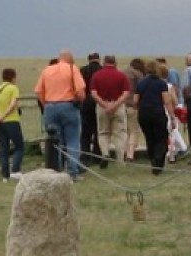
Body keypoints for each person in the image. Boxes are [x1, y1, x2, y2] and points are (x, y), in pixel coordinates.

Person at [33, 50, 86, 178]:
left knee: (55, 141)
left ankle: (55, 171)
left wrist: (46, 104)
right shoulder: (72, 69)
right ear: (70, 59)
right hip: (68, 106)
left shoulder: (47, 70)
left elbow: (39, 91)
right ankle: (73, 172)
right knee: (72, 140)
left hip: (50, 107)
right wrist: (80, 100)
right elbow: (80, 92)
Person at [88, 54, 131, 166]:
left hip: (102, 106)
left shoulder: (97, 76)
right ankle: (120, 160)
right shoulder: (121, 76)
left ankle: (105, 154)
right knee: (120, 133)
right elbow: (126, 93)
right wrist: (115, 105)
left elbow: (93, 93)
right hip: (118, 106)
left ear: (103, 62)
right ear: (115, 62)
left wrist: (104, 105)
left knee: (103, 133)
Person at [135, 60, 177, 174]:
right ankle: (158, 160)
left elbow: (135, 100)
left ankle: (153, 159)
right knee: (161, 137)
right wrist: (172, 116)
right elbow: (167, 101)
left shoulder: (141, 83)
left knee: (149, 137)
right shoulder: (161, 83)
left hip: (144, 113)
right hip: (157, 112)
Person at [0, 67, 24, 181]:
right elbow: (13, 104)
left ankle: (5, 176)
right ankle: (15, 170)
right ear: (13, 77)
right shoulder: (13, 88)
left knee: (4, 148)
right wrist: (4, 116)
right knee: (19, 146)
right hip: (11, 121)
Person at [80, 52, 104, 165]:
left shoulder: (82, 70)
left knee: (85, 132)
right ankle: (97, 156)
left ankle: (85, 156)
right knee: (98, 130)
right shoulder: (102, 70)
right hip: (99, 102)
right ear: (99, 59)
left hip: (85, 103)